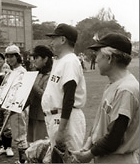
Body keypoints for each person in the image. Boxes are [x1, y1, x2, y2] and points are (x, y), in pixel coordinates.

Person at [73, 33, 139, 163]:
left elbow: (114, 137)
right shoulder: (113, 85)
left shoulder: (126, 90)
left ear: (109, 58)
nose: (96, 59)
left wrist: (89, 154)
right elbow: (100, 124)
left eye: (97, 54)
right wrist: (88, 144)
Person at [41, 23, 87, 155]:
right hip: (57, 118)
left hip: (66, 119)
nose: (51, 42)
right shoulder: (61, 61)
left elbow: (69, 97)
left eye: (53, 38)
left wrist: (61, 130)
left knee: (69, 158)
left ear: (63, 40)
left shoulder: (70, 61)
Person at [4, 45, 29, 163]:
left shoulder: (22, 71)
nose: (9, 59)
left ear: (18, 57)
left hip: (18, 107)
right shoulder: (12, 71)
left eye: (12, 56)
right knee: (16, 134)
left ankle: (23, 161)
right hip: (11, 106)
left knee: (20, 136)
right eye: (7, 57)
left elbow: (23, 93)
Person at [26, 45, 53, 143]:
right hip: (33, 115)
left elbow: (45, 96)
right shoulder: (36, 74)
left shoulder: (51, 76)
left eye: (36, 57)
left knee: (41, 146)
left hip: (43, 117)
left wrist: (33, 85)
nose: (34, 60)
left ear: (45, 59)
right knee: (32, 145)